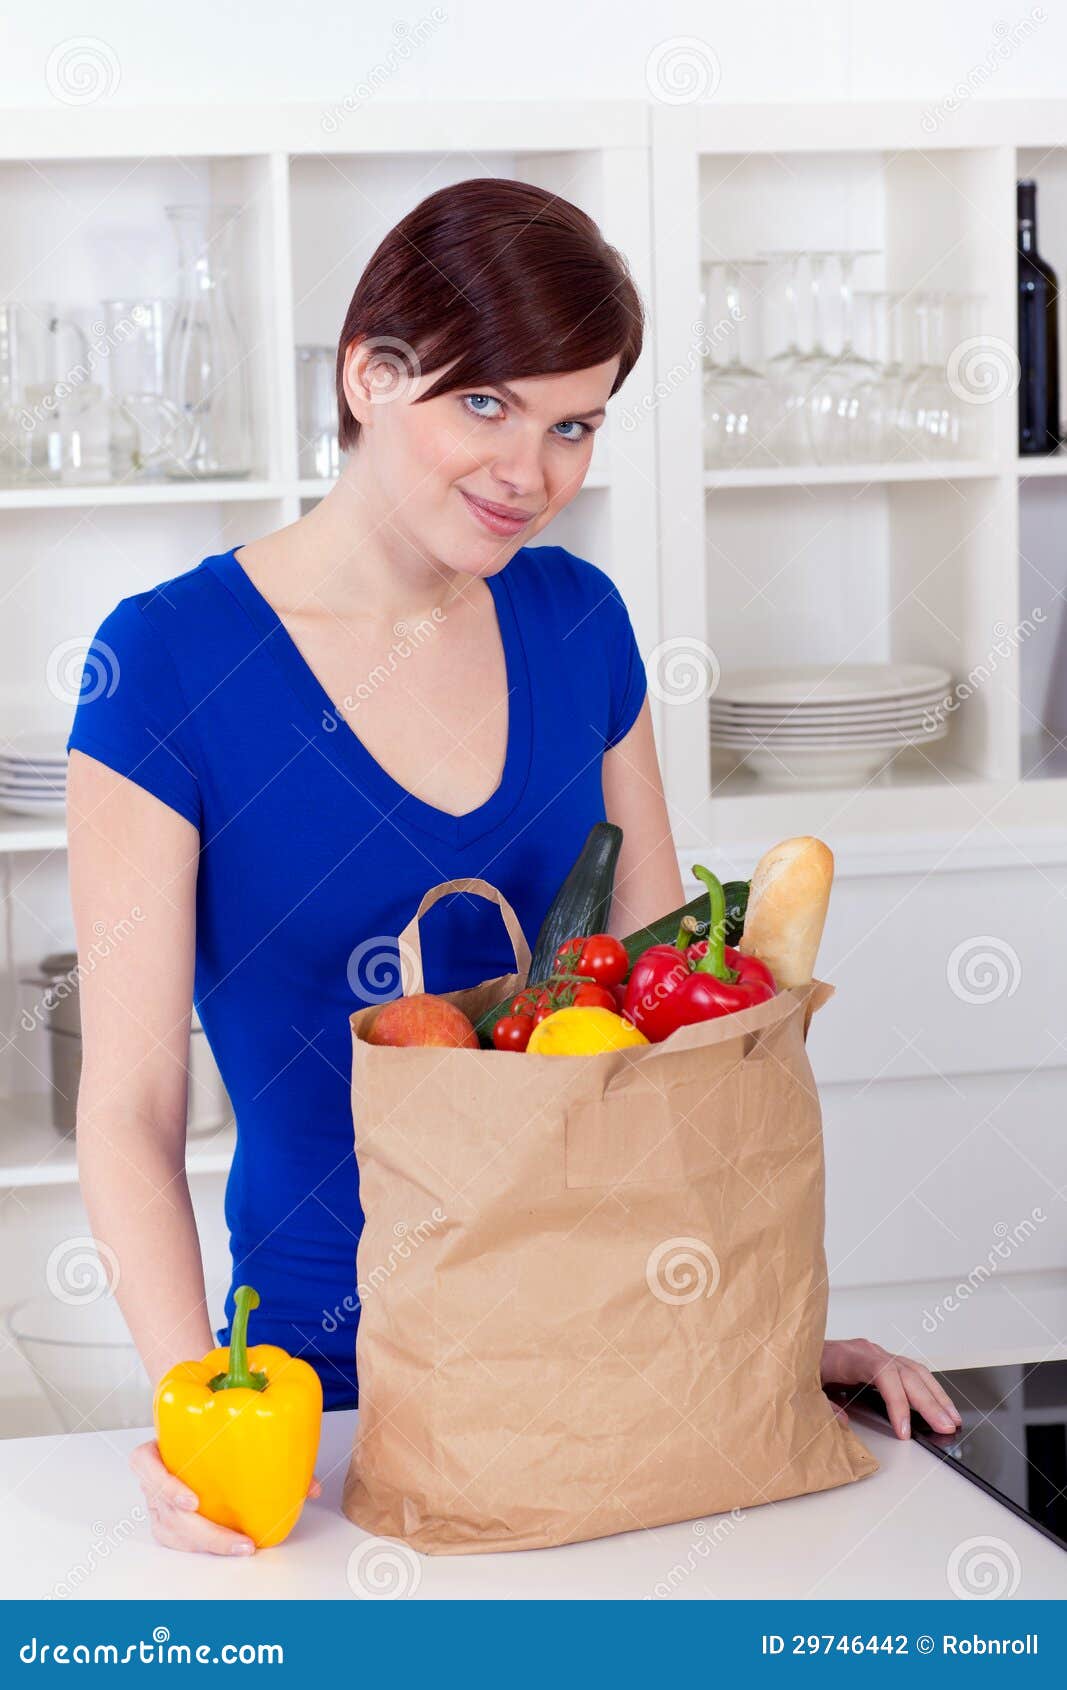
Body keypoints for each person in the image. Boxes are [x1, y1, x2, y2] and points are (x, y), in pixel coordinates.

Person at [65, 177, 959, 1557]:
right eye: (486, 404)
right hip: (331, 1389)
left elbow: (678, 1045)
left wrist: (767, 1335)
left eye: (574, 423)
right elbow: (127, 1104)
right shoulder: (170, 665)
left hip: (618, 1352)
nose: (529, 472)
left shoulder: (576, 621)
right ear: (372, 377)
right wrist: (203, 1399)